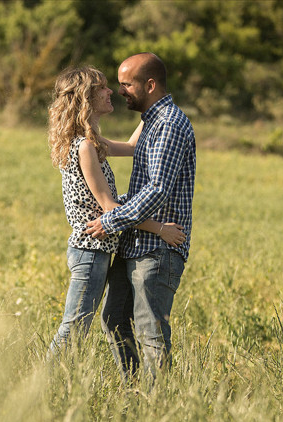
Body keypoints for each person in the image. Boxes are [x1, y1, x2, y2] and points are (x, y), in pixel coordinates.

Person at [46, 65, 186, 356]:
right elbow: (109, 207)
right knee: (74, 328)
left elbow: (134, 147)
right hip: (90, 251)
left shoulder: (91, 143)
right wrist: (160, 229)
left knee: (78, 327)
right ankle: (42, 386)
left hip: (96, 251)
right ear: (86, 97)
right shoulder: (84, 147)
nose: (111, 91)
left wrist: (152, 107)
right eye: (102, 88)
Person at [85, 53, 196, 381]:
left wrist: (110, 221)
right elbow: (124, 148)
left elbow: (158, 189)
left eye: (126, 84)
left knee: (150, 334)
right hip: (135, 243)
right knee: (114, 319)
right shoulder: (151, 120)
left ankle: (154, 407)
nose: (121, 91)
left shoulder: (170, 124)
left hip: (157, 250)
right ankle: (134, 395)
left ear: (150, 84)